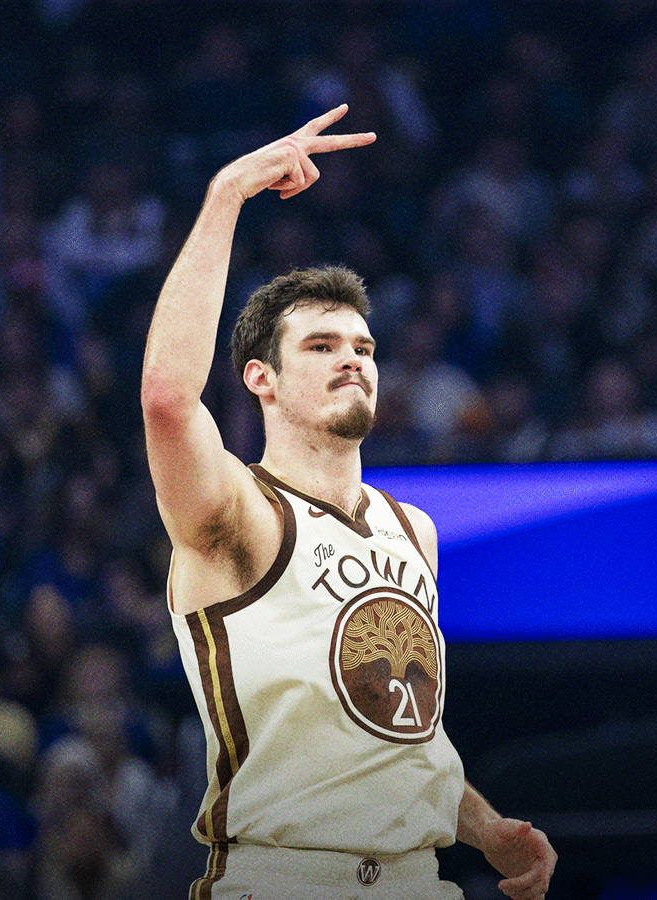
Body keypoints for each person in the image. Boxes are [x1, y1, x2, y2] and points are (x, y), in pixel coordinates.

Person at [139, 105, 556, 899]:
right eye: (322, 347)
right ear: (261, 378)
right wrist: (228, 193)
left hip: (419, 880)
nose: (353, 361)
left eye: (363, 348)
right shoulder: (238, 510)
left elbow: (399, 732)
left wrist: (485, 827)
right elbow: (166, 398)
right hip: (282, 878)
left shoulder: (414, 529)